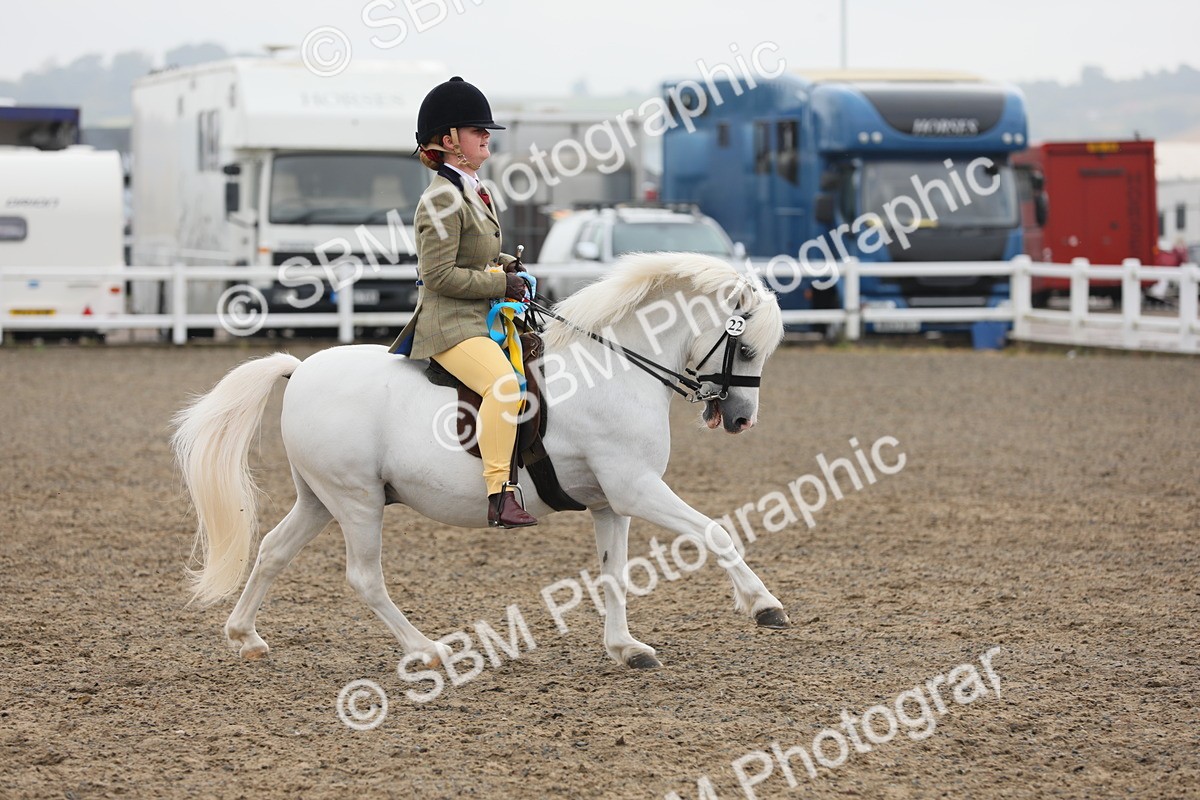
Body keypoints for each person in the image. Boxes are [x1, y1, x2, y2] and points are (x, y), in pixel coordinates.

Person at [388, 77, 537, 529]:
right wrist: (501, 285)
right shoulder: (440, 199)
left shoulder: (472, 188)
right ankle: (499, 494)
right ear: (450, 140)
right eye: (477, 130)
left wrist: (508, 266)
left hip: (479, 316)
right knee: (504, 385)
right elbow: (438, 275)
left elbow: (476, 256)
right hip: (449, 323)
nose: (486, 136)